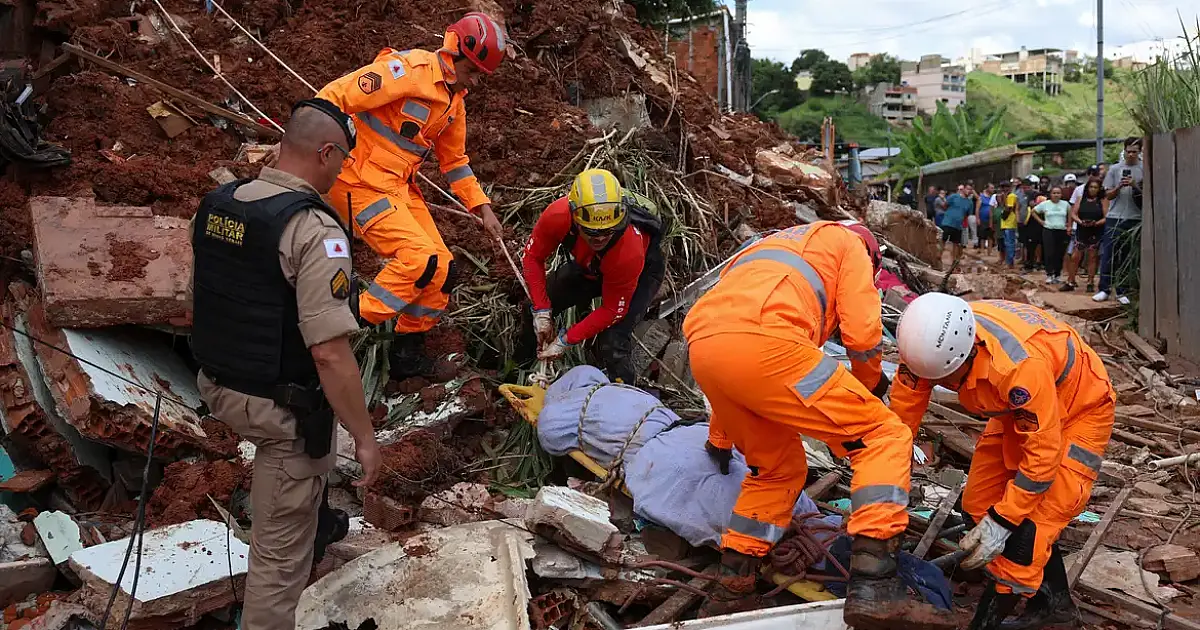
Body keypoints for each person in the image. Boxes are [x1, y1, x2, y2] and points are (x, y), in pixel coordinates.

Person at [684, 221, 954, 630]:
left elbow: (732, 346)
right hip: (770, 344)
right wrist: (868, 387)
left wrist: (720, 437)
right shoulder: (850, 245)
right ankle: (875, 585)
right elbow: (863, 335)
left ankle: (732, 582)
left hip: (704, 344)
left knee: (775, 470)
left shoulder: (768, 247)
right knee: (884, 436)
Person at [190, 99, 383, 630]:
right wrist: (363, 437)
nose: (343, 170)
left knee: (300, 507)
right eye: (342, 160)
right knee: (278, 563)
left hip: (218, 382)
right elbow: (329, 352)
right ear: (325, 152)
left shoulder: (222, 204)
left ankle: (313, 521)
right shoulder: (315, 231)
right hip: (280, 409)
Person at [890, 295, 1114, 630]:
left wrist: (1005, 521)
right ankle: (1053, 601)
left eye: (950, 380)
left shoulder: (1017, 369)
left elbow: (1042, 462)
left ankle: (990, 617)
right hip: (1016, 409)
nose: (945, 387)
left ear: (968, 353)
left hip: (1078, 406)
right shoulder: (924, 349)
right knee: (978, 504)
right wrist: (889, 483)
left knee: (1028, 532)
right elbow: (901, 416)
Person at [316, 13, 507, 377]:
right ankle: (336, 325)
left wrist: (482, 207)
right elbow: (335, 96)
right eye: (475, 71)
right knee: (419, 261)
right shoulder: (408, 70)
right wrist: (311, 148)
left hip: (397, 187)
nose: (477, 81)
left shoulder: (454, 103)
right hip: (358, 180)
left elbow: (456, 162)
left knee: (442, 269)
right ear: (456, 54)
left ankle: (406, 355)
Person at [519, 169, 664, 384]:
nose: (600, 239)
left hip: (638, 274)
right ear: (575, 218)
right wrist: (542, 310)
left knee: (613, 342)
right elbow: (532, 257)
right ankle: (518, 367)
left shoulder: (628, 251)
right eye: (592, 232)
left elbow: (613, 309)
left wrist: (565, 340)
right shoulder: (557, 216)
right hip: (590, 267)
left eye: (608, 232)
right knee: (529, 310)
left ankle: (624, 397)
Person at [1094, 138, 1144, 305]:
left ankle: (1122, 290)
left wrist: (1135, 185)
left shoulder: (1144, 168)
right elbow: (1107, 195)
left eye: (1134, 151)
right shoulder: (1115, 169)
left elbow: (1150, 194)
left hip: (1135, 217)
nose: (1131, 154)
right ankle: (1104, 289)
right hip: (1115, 216)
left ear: (1140, 152)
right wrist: (1119, 187)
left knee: (1127, 256)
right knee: (1109, 254)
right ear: (1124, 151)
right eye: (1128, 151)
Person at [1061, 176, 1108, 293]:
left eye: (1095, 187)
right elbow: (1073, 213)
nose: (1093, 189)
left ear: (1099, 189)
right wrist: (1079, 222)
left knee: (1092, 257)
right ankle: (1070, 280)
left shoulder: (1102, 200)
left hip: (1095, 231)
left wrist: (1096, 223)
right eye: (1091, 187)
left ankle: (1090, 282)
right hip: (1082, 229)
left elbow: (1106, 216)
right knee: (1075, 256)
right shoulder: (1081, 199)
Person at [1036, 187, 1071, 284]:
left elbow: (1070, 215)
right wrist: (1041, 221)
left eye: (1058, 193)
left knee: (1059, 253)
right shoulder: (1045, 204)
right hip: (1048, 230)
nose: (1056, 195)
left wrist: (1069, 225)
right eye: (1054, 193)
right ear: (1050, 194)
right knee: (1049, 252)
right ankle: (1049, 274)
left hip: (1061, 230)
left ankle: (1057, 274)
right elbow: (1034, 211)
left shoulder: (1065, 204)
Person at [941, 184, 973, 262]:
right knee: (943, 241)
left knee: (956, 244)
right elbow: (944, 205)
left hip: (958, 226)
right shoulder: (954, 196)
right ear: (964, 189)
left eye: (970, 190)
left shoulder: (970, 203)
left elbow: (967, 214)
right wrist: (950, 214)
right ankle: (938, 258)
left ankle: (953, 262)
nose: (969, 191)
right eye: (968, 189)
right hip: (947, 222)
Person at [1017, 177, 1042, 272]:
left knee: (1037, 242)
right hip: (1024, 222)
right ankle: (1027, 262)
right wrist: (1018, 219)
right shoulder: (1019, 196)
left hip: (1035, 222)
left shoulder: (1037, 195)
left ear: (1031, 186)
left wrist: (1035, 204)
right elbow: (1018, 207)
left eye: (1027, 187)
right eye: (1024, 188)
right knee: (1026, 243)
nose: (1025, 189)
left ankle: (1038, 262)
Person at [999, 182, 1019, 268]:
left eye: (1006, 187)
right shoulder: (1008, 196)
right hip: (1006, 223)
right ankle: (1009, 262)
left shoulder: (1011, 196)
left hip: (1009, 222)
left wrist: (1003, 200)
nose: (1004, 189)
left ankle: (1010, 263)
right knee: (1007, 243)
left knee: (1009, 243)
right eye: (1003, 187)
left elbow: (1008, 209)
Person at [977, 183, 995, 251]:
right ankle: (982, 249)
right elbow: (977, 209)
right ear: (987, 188)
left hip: (991, 219)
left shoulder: (993, 197)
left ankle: (989, 251)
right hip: (983, 219)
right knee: (982, 236)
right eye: (991, 188)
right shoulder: (981, 197)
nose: (993, 189)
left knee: (990, 235)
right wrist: (977, 218)